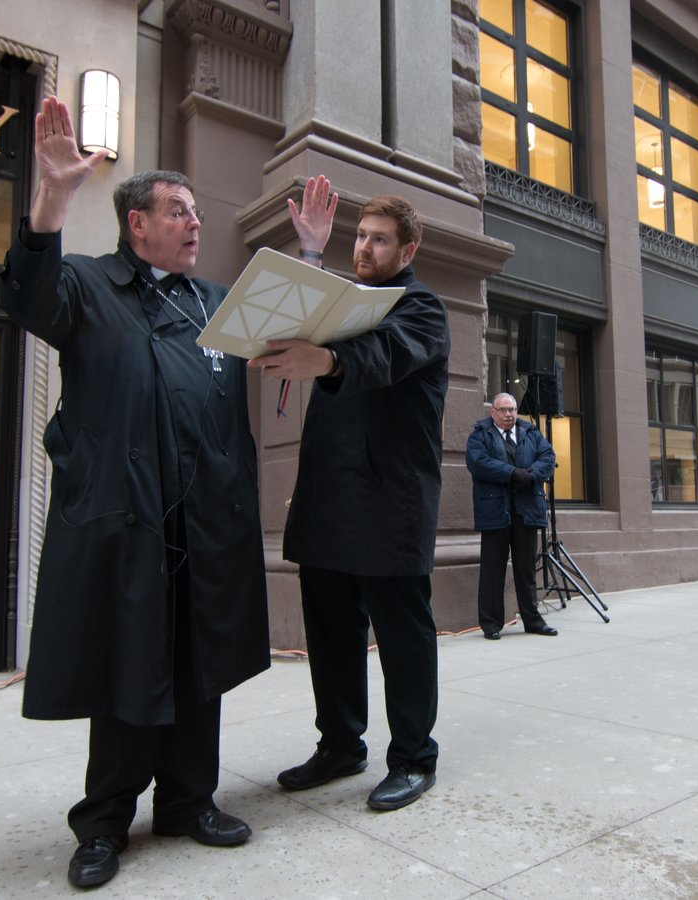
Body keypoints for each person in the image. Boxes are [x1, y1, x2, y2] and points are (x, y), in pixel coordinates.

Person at [0, 97, 270, 889]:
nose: (194, 223)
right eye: (177, 212)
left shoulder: (214, 301)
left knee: (200, 667)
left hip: (207, 520)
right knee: (126, 672)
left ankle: (190, 803)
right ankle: (104, 822)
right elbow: (26, 295)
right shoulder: (87, 288)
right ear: (136, 224)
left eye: (196, 212)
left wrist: (312, 256)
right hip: (127, 519)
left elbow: (295, 329)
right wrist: (51, 201)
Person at [249, 178, 448, 811]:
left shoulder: (422, 310)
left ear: (407, 250)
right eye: (359, 236)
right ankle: (340, 745)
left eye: (379, 239)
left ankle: (415, 757)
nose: (364, 247)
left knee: (402, 636)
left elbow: (385, 354)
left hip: (390, 506)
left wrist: (328, 363)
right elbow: (301, 318)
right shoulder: (343, 304)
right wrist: (311, 252)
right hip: (328, 499)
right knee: (331, 634)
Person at [466, 392, 558, 640]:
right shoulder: (480, 434)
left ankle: (533, 620)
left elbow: (548, 457)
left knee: (526, 569)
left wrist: (529, 475)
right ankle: (491, 624)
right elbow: (478, 463)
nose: (508, 414)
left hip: (526, 511)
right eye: (503, 410)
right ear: (492, 412)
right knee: (492, 570)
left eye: (512, 410)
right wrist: (512, 473)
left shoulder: (530, 432)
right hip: (495, 511)